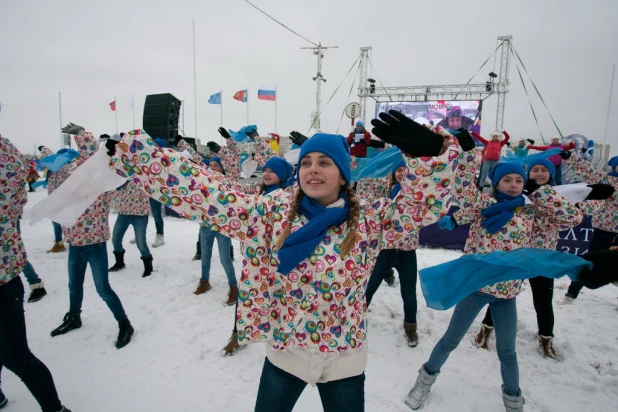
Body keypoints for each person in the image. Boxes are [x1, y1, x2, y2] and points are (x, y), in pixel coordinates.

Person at [105, 110, 460, 412]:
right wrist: (144, 159)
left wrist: (432, 159)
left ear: (343, 173)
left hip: (343, 357)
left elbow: (421, 208)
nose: (312, 169)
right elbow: (209, 195)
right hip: (286, 350)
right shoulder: (272, 212)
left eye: (324, 162)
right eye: (306, 161)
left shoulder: (368, 218)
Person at [405, 153, 582, 411]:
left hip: (506, 296)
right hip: (476, 290)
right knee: (450, 340)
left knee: (507, 352)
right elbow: (463, 189)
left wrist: (541, 192)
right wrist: (467, 154)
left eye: (519, 180)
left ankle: (513, 399)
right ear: (496, 183)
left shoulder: (532, 213)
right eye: (507, 180)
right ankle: (424, 380)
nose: (513, 184)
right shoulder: (482, 205)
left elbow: (572, 219)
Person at [473, 158, 582, 359]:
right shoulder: (518, 199)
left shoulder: (556, 198)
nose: (539, 174)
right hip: (516, 258)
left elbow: (573, 218)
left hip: (540, 260)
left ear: (551, 174)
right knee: (499, 295)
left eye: (544, 170)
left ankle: (546, 338)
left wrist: (539, 192)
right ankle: (486, 329)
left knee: (543, 301)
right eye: (534, 171)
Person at [0, 135, 72, 412]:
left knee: (16, 356)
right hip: (11, 263)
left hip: (5, 271)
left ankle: (55, 409)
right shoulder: (10, 152)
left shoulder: (6, 155)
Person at [50, 124, 134, 349]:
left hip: (94, 243)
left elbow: (93, 158)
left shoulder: (104, 176)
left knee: (102, 288)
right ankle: (74, 316)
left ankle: (125, 323)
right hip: (75, 242)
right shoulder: (76, 170)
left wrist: (83, 135)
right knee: (74, 285)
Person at [561, 150, 618, 301]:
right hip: (604, 231)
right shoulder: (610, 183)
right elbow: (589, 171)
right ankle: (572, 292)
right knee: (588, 261)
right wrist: (570, 157)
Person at [109, 178, 155, 278]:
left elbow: (153, 188)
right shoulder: (119, 175)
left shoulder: (143, 174)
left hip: (140, 214)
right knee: (115, 240)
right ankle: (120, 263)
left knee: (141, 243)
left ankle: (148, 266)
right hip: (123, 213)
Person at [39, 146, 67, 254]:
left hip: (60, 198)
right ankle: (62, 241)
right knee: (59, 220)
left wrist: (42, 148)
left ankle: (60, 243)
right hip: (55, 197)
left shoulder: (63, 167)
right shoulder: (54, 169)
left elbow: (48, 155)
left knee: (58, 220)